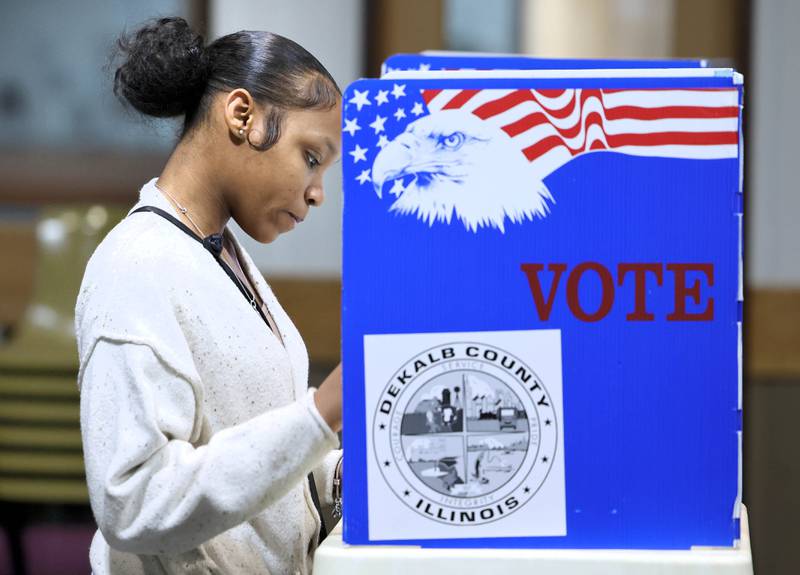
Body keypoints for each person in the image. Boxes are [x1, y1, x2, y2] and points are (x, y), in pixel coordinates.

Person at [75, 17, 343, 574]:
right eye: (311, 157)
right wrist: (320, 414)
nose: (317, 192)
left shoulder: (215, 251)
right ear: (242, 115)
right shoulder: (137, 264)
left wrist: (347, 469)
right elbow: (134, 502)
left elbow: (251, 431)